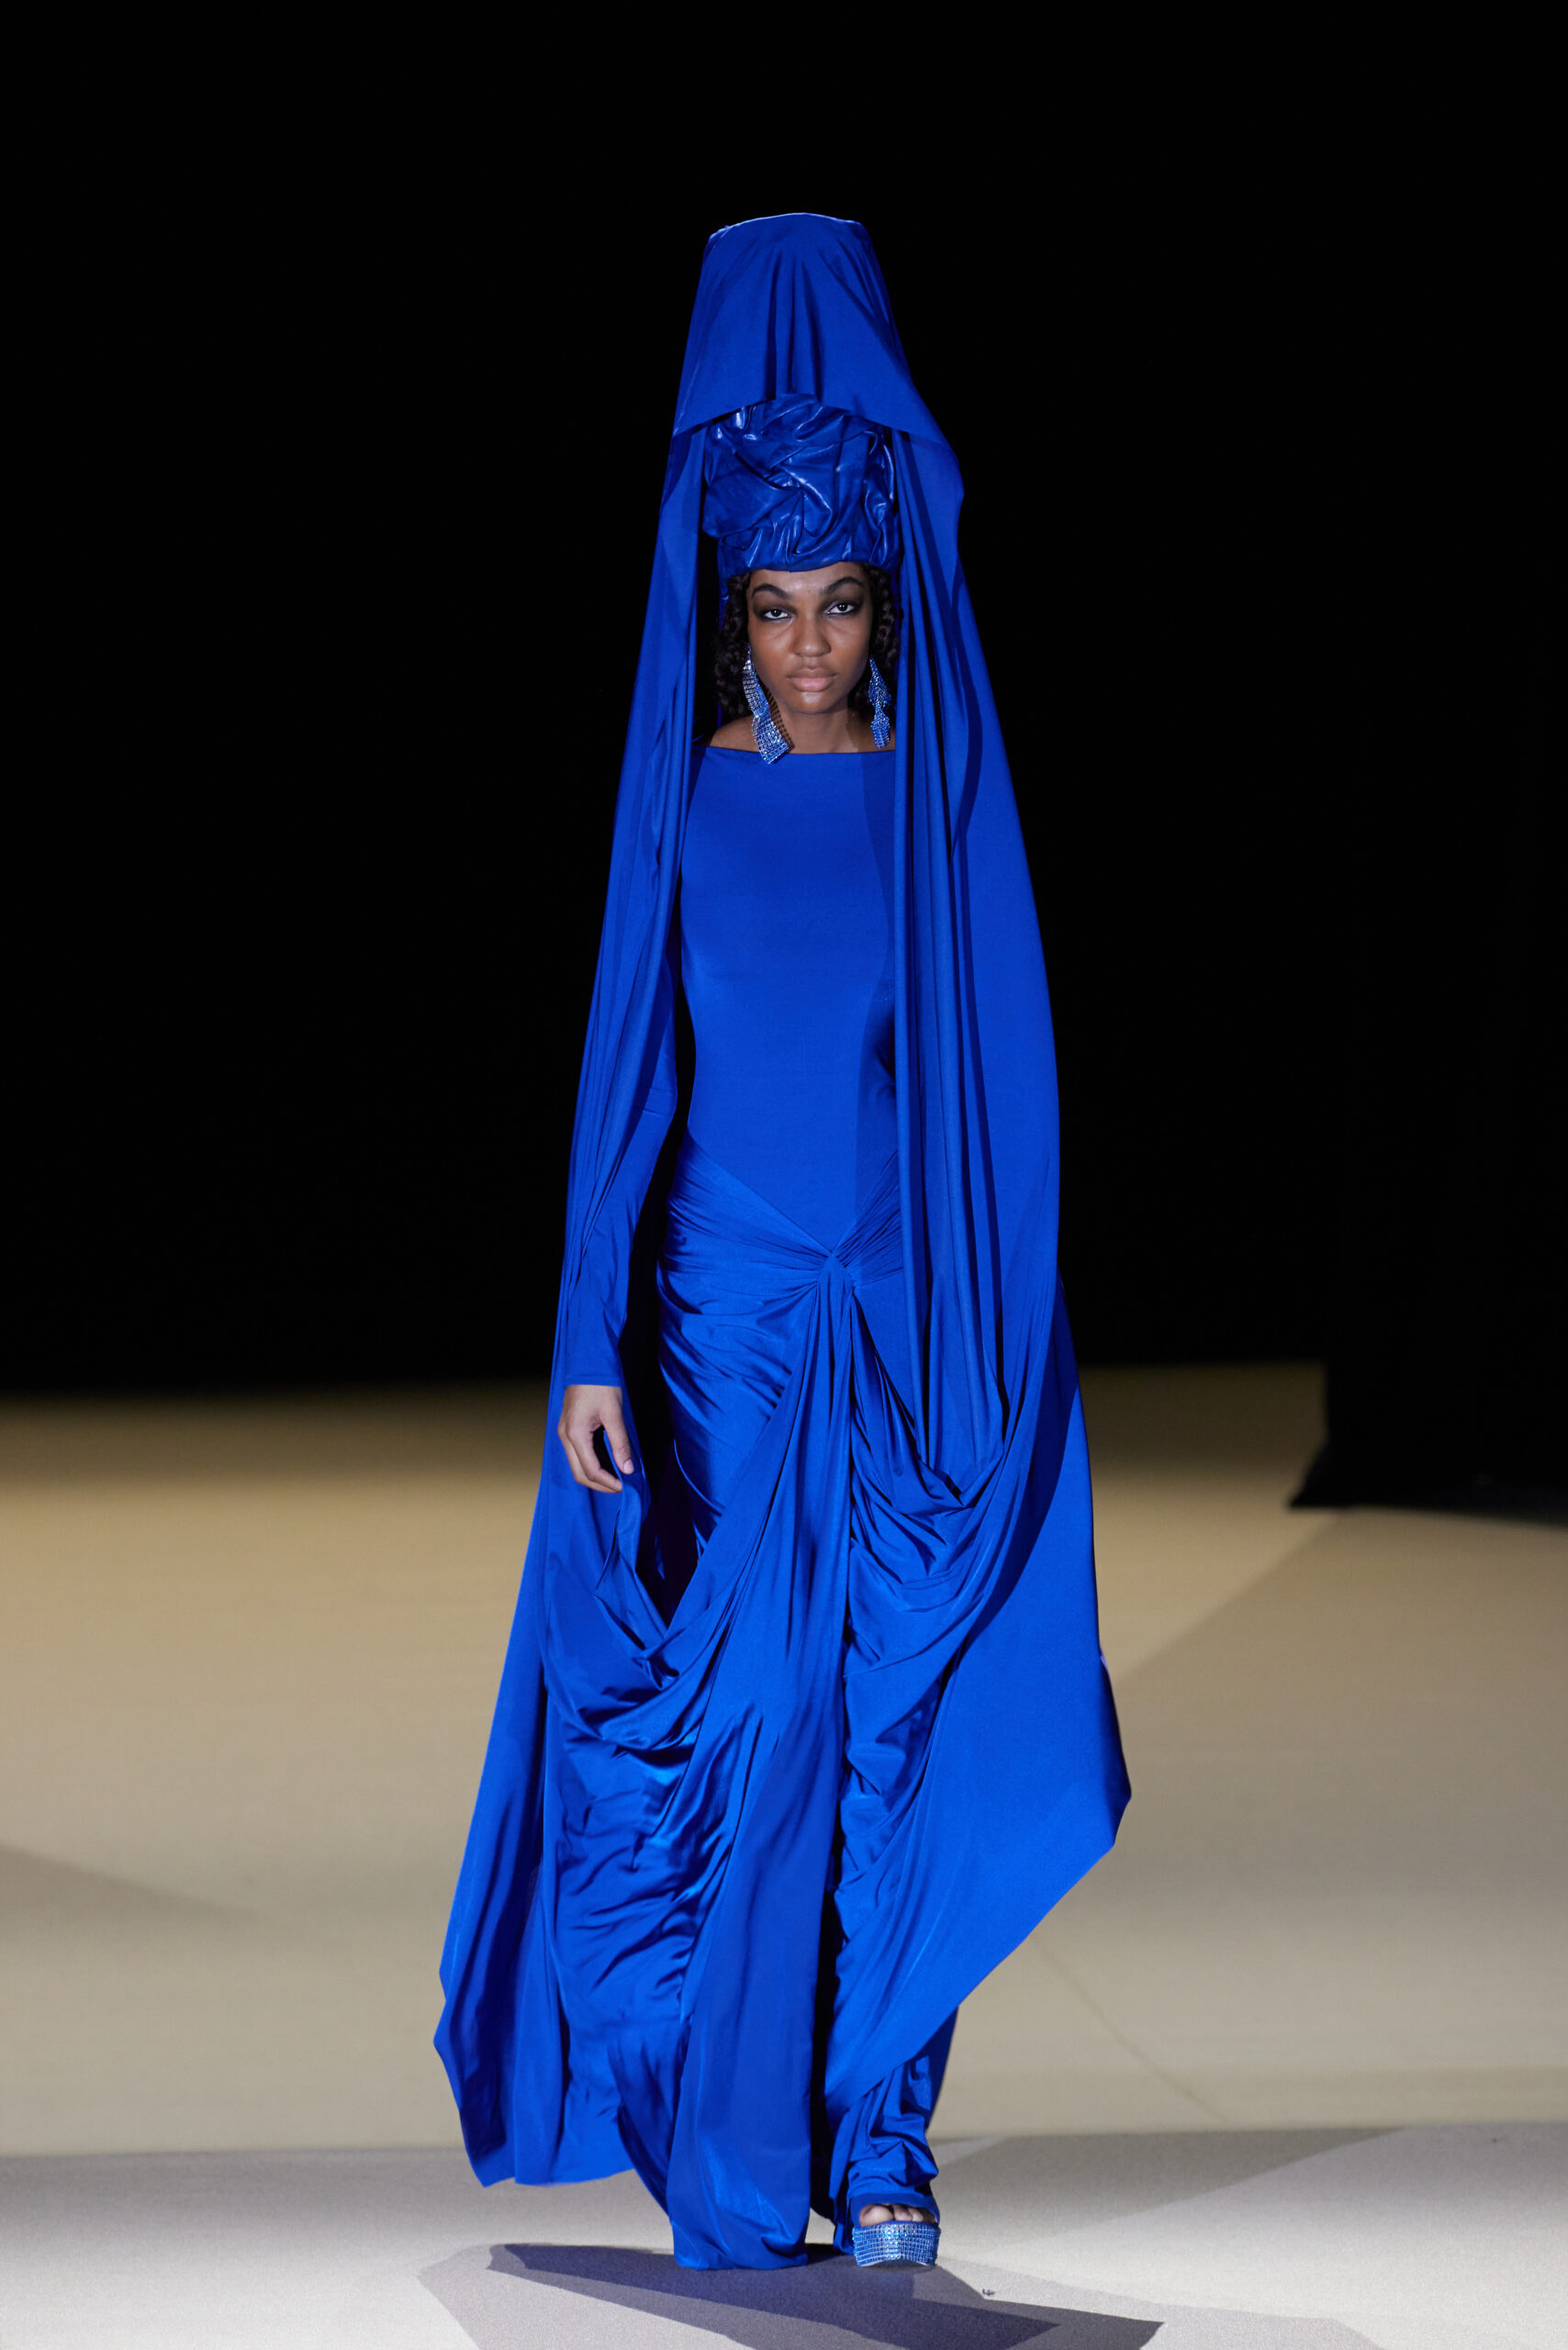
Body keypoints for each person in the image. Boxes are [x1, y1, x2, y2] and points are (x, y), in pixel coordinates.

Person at [437, 212, 1129, 2274]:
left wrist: (993, 1318)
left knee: (902, 1711)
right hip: (723, 1316)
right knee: (750, 1724)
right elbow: (623, 1073)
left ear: (880, 600)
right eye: (773, 605)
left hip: (902, 1316)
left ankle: (890, 2138)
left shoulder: (937, 807)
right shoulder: (686, 800)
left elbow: (992, 1082)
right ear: (728, 607)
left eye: (837, 604)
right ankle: (746, 2123)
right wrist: (589, 1332)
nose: (808, 643)